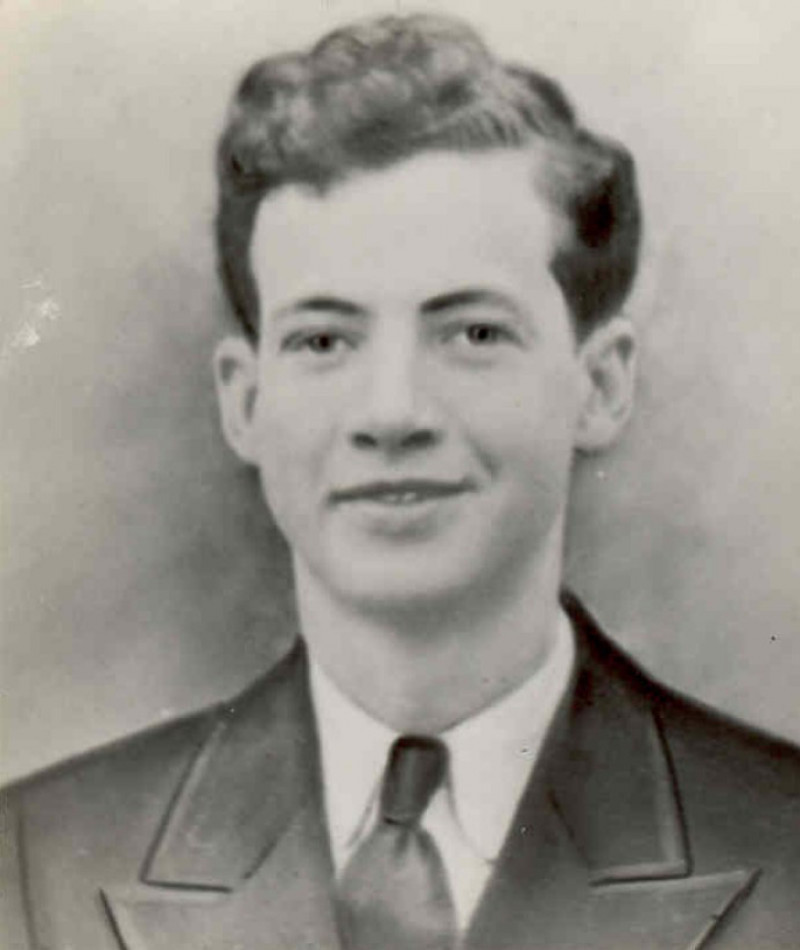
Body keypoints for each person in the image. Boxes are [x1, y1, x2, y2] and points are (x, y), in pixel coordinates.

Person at [2, 13, 799, 950]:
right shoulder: (34, 866)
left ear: (601, 384)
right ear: (245, 400)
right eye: (323, 340)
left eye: (472, 333)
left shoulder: (782, 847)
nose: (392, 413)